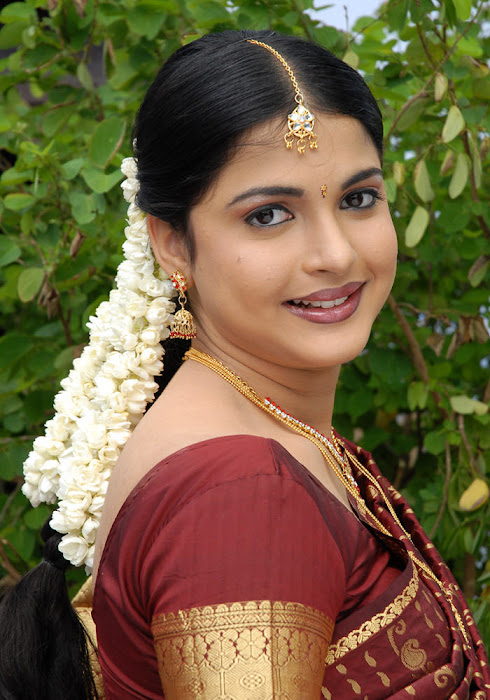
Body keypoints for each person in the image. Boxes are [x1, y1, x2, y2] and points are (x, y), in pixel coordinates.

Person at [0, 28, 488, 700]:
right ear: (173, 244)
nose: (336, 254)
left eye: (357, 199)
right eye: (268, 215)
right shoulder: (244, 497)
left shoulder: (264, 426)